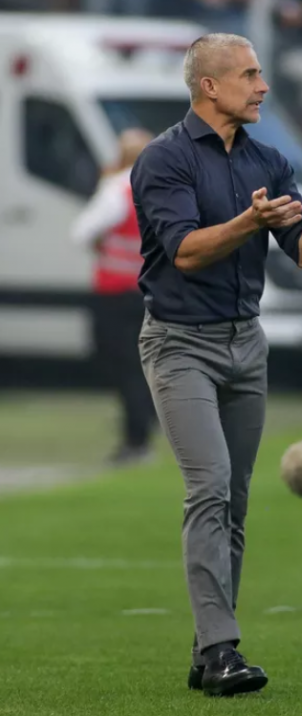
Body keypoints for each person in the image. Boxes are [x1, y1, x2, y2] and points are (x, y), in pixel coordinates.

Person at [130, 33, 302, 696]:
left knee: (234, 502)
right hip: (180, 342)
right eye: (249, 75)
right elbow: (183, 251)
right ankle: (220, 652)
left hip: (247, 344)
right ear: (209, 86)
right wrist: (248, 221)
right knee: (208, 487)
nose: (262, 86)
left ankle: (208, 648)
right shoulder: (163, 160)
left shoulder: (269, 158)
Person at [71, 128, 157, 467]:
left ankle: (136, 439)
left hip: (116, 291)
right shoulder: (164, 185)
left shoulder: (118, 186)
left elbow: (81, 231)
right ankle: (144, 425)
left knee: (124, 366)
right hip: (151, 290)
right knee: (146, 363)